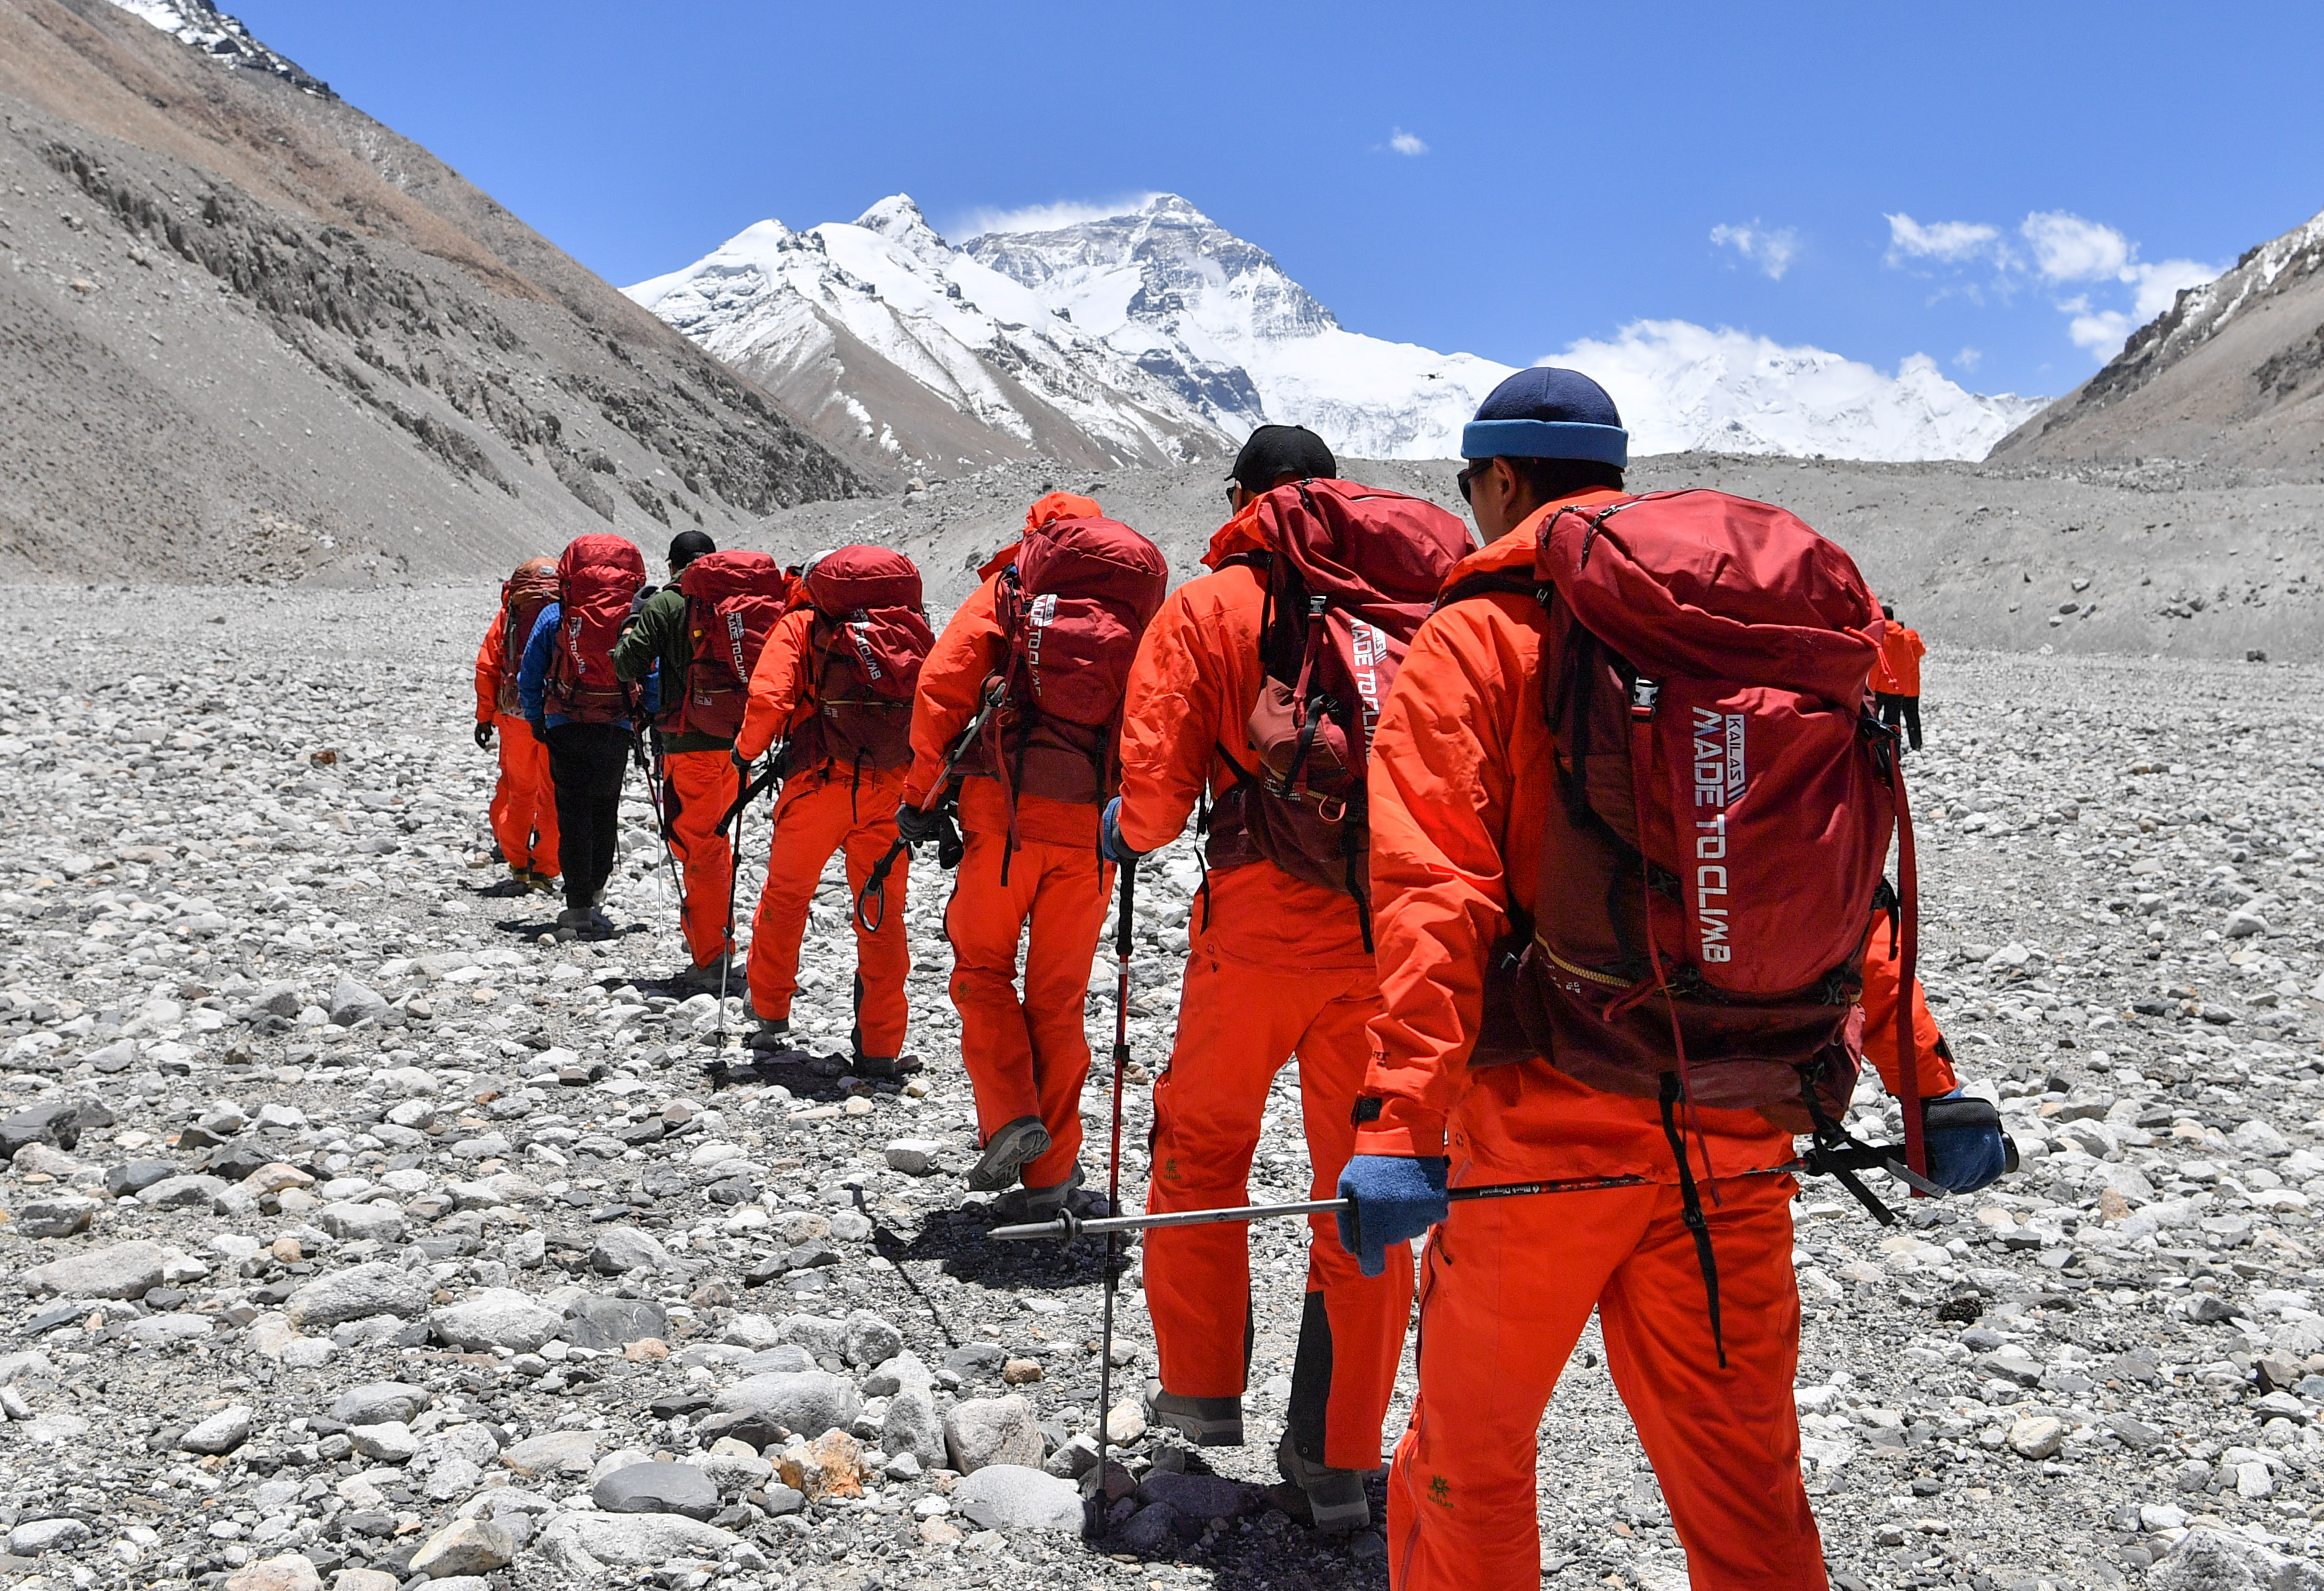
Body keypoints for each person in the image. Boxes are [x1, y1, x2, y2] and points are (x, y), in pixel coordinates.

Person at [1334, 369, 2009, 1591]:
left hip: (1542, 1136)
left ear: (1499, 479)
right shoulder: (1742, 639)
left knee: (1466, 1464)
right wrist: (1923, 1082)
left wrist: (1397, 1124)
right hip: (1738, 1125)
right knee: (1744, 1483)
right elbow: (1834, 890)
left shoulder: (1479, 636)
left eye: (1469, 483)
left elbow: (1433, 892)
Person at [1102, 425, 1413, 1533]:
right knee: (1368, 1184)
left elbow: (1152, 803)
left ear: (1241, 498)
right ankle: (1336, 1453)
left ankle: (1200, 1387)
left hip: (1255, 932)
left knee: (1201, 1141)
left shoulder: (1208, 606)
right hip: (1387, 932)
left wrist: (1121, 825)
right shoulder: (1398, 606)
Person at [902, 492, 1166, 1218]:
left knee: (982, 970)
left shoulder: (1009, 592)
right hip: (1093, 837)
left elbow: (942, 688)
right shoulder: (1137, 611)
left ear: (1035, 538)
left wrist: (920, 797)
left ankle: (1011, 1114)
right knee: (1057, 1000)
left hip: (1004, 822)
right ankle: (1050, 1173)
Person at [733, 546, 931, 1079]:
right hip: (889, 788)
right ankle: (880, 1045)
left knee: (786, 896)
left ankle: (770, 1012)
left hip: (818, 783)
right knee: (882, 912)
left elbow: (770, 697)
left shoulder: (801, 625)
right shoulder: (908, 627)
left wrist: (745, 752)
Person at [612, 531, 741, 989]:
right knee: (719, 845)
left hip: (688, 746)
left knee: (700, 848)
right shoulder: (736, 602)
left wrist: (628, 629)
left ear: (672, 565)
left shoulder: (666, 604)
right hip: (737, 745)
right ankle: (722, 943)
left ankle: (711, 959)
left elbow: (626, 665)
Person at [518, 533, 648, 940]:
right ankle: (596, 889)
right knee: (605, 807)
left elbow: (530, 672)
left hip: (565, 721)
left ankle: (576, 907)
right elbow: (651, 667)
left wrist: (535, 717)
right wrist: (646, 715)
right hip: (616, 722)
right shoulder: (633, 615)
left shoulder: (555, 614)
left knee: (572, 811)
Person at [472, 557, 560, 895]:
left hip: (515, 715)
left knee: (518, 791)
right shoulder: (565, 611)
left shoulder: (510, 616)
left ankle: (518, 863)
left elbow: (487, 666)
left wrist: (484, 717)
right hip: (557, 715)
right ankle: (546, 868)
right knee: (554, 794)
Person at [1873, 603, 1926, 752]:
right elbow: (1911, 660)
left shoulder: (1880, 635)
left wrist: (1870, 686)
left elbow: (1876, 663)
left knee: (1873, 719)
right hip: (1901, 688)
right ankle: (1896, 752)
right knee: (1896, 720)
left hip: (1880, 686)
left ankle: (1876, 751)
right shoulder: (1906, 637)